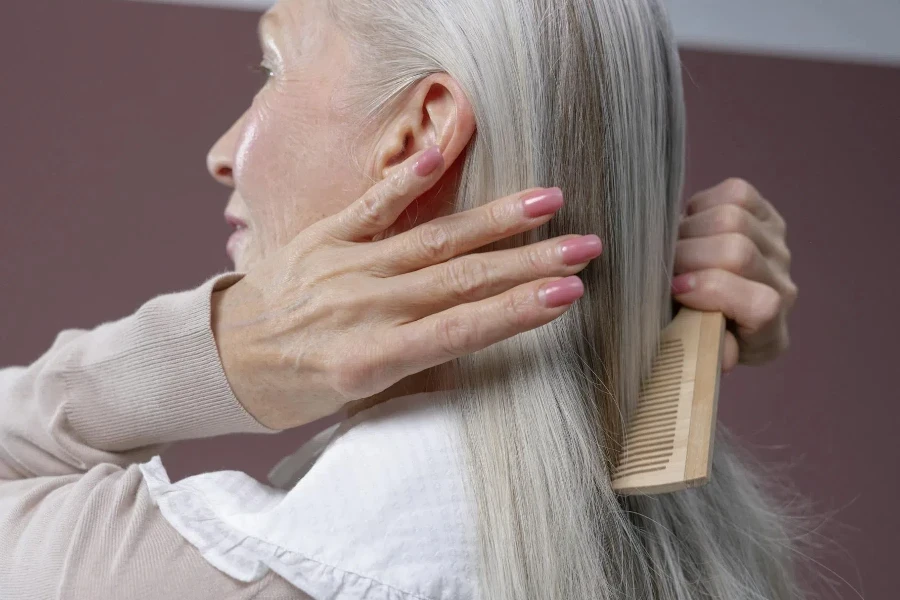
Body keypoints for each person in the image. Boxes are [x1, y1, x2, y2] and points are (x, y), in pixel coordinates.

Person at [0, 0, 799, 598]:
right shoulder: (716, 562)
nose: (221, 154)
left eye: (272, 69)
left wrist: (220, 351)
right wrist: (641, 303)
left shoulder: (169, 574)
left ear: (419, 135)